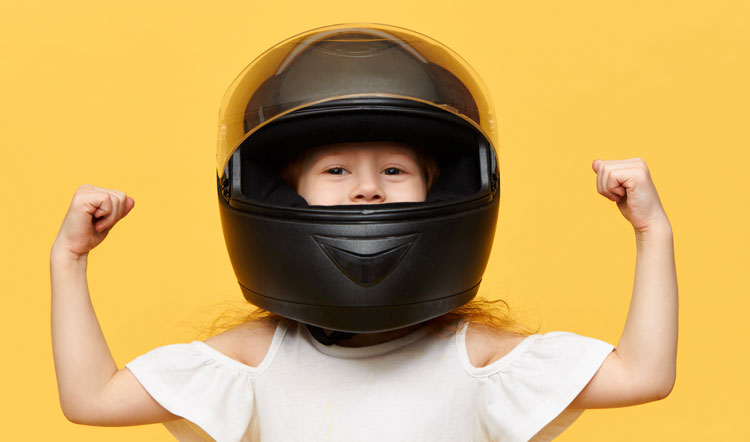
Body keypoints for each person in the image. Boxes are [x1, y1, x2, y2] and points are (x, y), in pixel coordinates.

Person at [51, 24, 677, 442]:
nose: (368, 187)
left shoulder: (476, 355)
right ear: (284, 192)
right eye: (336, 169)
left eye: (396, 170)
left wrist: (652, 232)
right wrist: (69, 260)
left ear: (444, 193)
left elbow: (644, 375)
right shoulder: (257, 356)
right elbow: (93, 399)